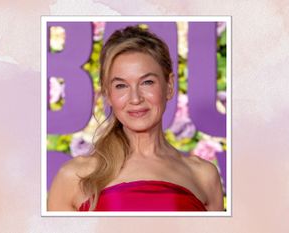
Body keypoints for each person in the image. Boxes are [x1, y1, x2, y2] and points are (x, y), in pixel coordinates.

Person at [47, 25, 223, 211]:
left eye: (147, 82)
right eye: (121, 86)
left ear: (169, 86)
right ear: (108, 94)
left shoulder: (203, 175)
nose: (135, 98)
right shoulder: (74, 176)